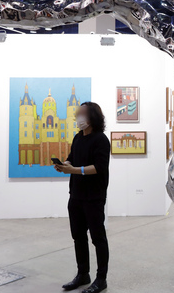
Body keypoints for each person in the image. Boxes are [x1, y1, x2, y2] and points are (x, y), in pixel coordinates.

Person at [55, 102, 110, 293]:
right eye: (78, 113)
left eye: (83, 113)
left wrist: (74, 170)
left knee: (98, 238)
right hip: (76, 195)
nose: (79, 117)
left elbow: (99, 167)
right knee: (78, 237)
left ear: (93, 116)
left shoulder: (101, 140)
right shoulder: (78, 137)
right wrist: (65, 165)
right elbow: (72, 157)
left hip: (94, 197)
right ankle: (83, 274)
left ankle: (101, 279)